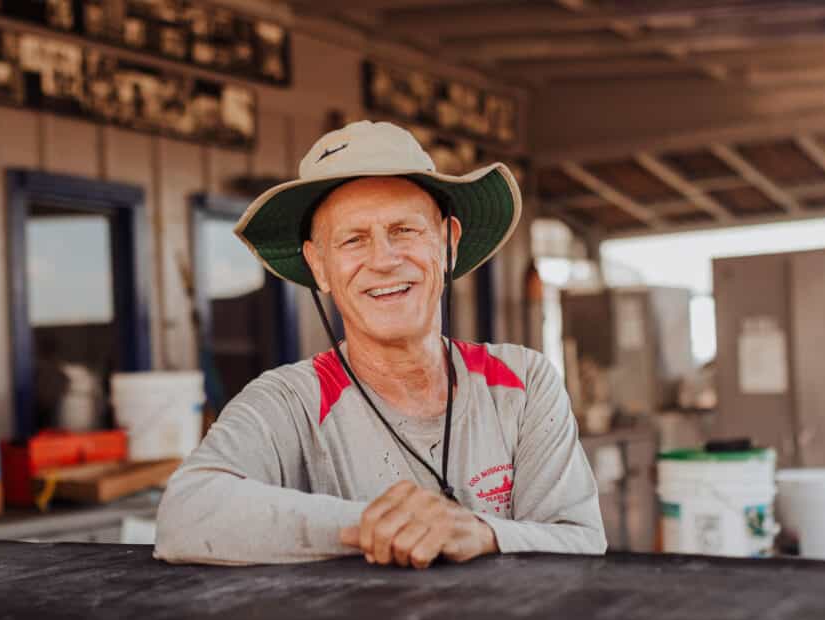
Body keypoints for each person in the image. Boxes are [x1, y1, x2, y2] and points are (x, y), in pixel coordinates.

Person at [154, 120, 606, 569]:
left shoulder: (521, 384)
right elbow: (184, 516)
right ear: (319, 267)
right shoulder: (288, 401)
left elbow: (581, 539)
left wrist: (482, 532)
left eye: (404, 231)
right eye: (353, 240)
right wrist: (378, 524)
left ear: (447, 244)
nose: (383, 260)